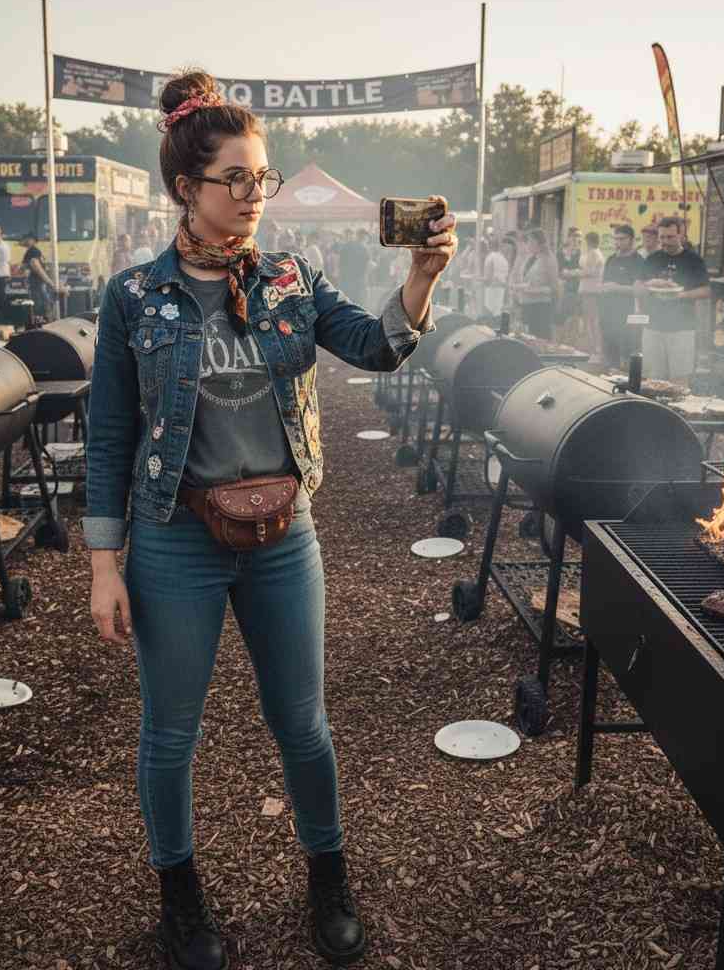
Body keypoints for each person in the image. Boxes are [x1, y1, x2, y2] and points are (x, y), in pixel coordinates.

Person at [84, 68, 458, 970]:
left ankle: (327, 876)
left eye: (265, 178)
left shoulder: (292, 277)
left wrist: (421, 277)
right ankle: (181, 896)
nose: (256, 195)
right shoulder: (136, 296)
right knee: (170, 732)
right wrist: (105, 564)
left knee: (305, 723)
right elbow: (108, 432)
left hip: (285, 541)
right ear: (186, 188)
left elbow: (374, 349)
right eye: (237, 180)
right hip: (175, 538)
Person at [636, 216, 710, 385]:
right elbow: (637, 287)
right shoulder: (653, 258)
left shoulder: (693, 260)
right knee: (653, 381)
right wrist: (650, 284)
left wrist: (681, 295)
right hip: (653, 326)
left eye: (670, 237)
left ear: (681, 235)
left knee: (679, 381)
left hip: (682, 328)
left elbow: (706, 291)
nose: (665, 242)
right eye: (662, 237)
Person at [599, 224, 644, 368]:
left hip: (629, 312)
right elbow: (605, 284)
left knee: (628, 353)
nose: (618, 242)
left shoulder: (638, 261)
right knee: (610, 353)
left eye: (622, 239)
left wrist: (616, 288)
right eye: (616, 239)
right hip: (608, 312)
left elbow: (639, 290)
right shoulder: (611, 259)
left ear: (631, 240)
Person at [517, 229, 558, 339]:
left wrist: (534, 290)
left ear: (538, 242)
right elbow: (525, 279)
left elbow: (554, 287)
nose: (528, 244)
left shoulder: (548, 258)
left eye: (530, 241)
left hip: (540, 306)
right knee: (527, 338)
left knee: (539, 338)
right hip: (526, 303)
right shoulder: (529, 258)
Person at [577, 231, 606, 361]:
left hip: (591, 290)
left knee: (592, 320)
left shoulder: (594, 253)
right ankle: (592, 346)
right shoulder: (591, 253)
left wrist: (573, 273)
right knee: (589, 319)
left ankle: (595, 347)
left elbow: (591, 272)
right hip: (587, 289)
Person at [21, 232, 57, 320]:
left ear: (32, 240)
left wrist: (49, 282)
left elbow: (37, 267)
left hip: (38, 284)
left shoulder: (33, 251)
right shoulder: (32, 251)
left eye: (27, 238)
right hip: (38, 284)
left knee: (41, 309)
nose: (24, 241)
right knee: (43, 307)